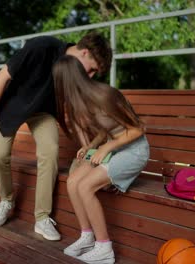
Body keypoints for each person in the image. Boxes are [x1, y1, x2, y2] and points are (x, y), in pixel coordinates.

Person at [0, 32, 112, 241]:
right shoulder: (42, 46)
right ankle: (6, 200)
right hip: (13, 106)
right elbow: (2, 76)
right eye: (93, 68)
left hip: (42, 112)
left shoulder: (74, 73)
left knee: (50, 150)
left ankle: (42, 217)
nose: (91, 75)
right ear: (84, 52)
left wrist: (86, 146)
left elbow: (73, 110)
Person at [52, 55, 149, 263]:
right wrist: (91, 145)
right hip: (113, 149)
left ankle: (104, 248)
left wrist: (107, 147)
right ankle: (87, 236)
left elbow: (138, 129)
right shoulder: (83, 103)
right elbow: (108, 129)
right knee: (73, 182)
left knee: (85, 186)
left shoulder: (105, 95)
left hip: (134, 151)